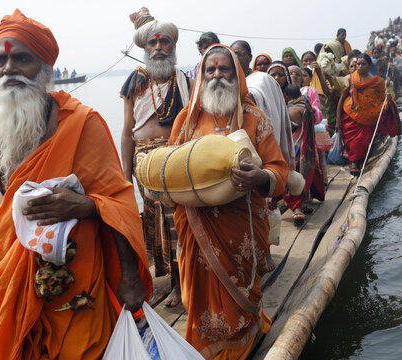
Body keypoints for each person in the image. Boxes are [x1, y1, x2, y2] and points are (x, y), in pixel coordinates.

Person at [0, 9, 152, 358]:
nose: (9, 69)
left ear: (46, 68)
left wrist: (128, 274)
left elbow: (119, 200)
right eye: (0, 60)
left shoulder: (82, 123)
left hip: (76, 282)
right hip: (10, 278)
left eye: (22, 59)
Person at [169, 44, 288, 359]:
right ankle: (205, 344)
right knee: (200, 293)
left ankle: (242, 339)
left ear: (237, 75)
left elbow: (278, 169)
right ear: (202, 75)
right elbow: (169, 167)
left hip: (242, 225)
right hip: (196, 225)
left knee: (240, 290)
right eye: (211, 70)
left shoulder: (253, 117)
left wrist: (258, 178)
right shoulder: (186, 120)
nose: (217, 75)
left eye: (224, 69)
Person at [120, 7, 190, 307]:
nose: (159, 47)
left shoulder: (183, 79)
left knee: (181, 223)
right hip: (144, 162)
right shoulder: (135, 81)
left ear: (173, 47)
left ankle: (182, 283)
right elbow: (126, 132)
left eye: (165, 42)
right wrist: (124, 175)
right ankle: (173, 281)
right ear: (145, 48)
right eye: (153, 43)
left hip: (177, 157)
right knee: (157, 225)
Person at [336, 54, 401, 176]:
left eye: (363, 64)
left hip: (368, 116)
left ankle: (360, 160)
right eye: (358, 64)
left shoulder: (377, 82)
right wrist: (337, 120)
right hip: (350, 115)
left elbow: (380, 101)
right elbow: (341, 99)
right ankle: (354, 163)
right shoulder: (350, 79)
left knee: (363, 141)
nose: (360, 67)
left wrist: (388, 100)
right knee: (352, 141)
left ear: (370, 66)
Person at [283, 84, 325, 225]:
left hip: (291, 148)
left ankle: (297, 207)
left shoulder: (286, 109)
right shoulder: (306, 107)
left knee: (292, 175)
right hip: (305, 148)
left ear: (287, 96)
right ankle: (301, 203)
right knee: (304, 174)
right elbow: (314, 120)